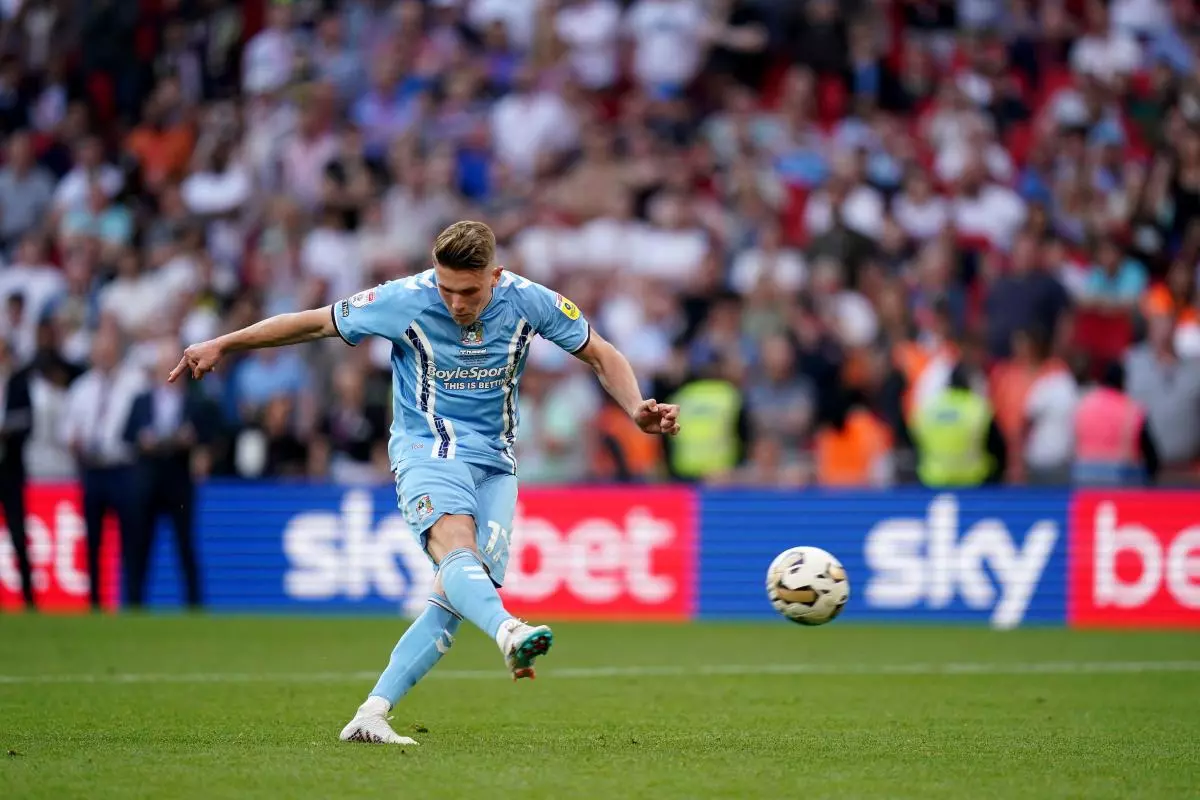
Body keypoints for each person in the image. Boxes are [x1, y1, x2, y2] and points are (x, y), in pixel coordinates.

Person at [170, 220, 680, 746]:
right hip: (426, 449)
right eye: (446, 288)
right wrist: (224, 344)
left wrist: (635, 406)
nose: (456, 303)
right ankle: (509, 631)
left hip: (496, 462)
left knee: (456, 594)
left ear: (495, 276)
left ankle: (372, 712)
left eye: (469, 291)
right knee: (457, 549)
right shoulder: (403, 299)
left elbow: (602, 353)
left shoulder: (529, 301)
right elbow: (313, 324)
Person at [62, 324, 145, 610]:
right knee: (93, 540)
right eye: (100, 351)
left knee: (132, 538)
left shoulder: (135, 384)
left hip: (123, 467)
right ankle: (95, 601)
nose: (104, 356)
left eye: (109, 350)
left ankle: (133, 601)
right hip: (93, 469)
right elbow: (69, 431)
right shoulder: (81, 388)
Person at [123, 341, 211, 608]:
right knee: (141, 546)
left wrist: (192, 440)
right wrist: (143, 440)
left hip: (178, 478)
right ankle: (135, 603)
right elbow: (127, 434)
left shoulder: (196, 401)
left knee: (185, 545)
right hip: (147, 479)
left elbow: (209, 435)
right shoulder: (141, 400)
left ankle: (194, 604)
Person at [911, 364, 1007, 487]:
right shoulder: (977, 408)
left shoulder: (929, 408)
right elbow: (998, 447)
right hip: (974, 482)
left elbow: (914, 441)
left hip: (932, 481)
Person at [1073, 361, 1159, 485]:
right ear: (1123, 381)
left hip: (1084, 477)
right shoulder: (1132, 409)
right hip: (1120, 478)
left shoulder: (1084, 405)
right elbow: (1151, 455)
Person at [0, 338, 34, 610]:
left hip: (10, 470)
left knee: (18, 534)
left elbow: (27, 422)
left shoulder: (18, 382)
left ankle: (28, 598)